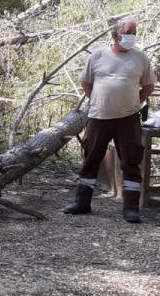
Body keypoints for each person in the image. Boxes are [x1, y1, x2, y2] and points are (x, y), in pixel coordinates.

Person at [62, 18, 155, 223]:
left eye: (134, 32)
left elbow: (148, 86)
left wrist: (133, 102)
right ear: (115, 35)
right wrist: (99, 100)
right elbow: (86, 82)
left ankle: (131, 207)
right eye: (128, 33)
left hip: (129, 118)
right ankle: (81, 202)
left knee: (131, 160)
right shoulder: (97, 56)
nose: (132, 36)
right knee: (91, 157)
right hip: (99, 117)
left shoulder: (140, 58)